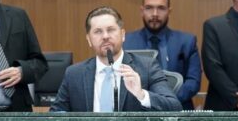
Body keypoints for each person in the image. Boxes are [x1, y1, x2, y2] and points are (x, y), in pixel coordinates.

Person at [50, 6, 182, 112]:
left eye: (111, 30)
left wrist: (141, 94)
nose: (105, 36)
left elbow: (174, 107)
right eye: (98, 31)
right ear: (89, 40)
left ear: (123, 35)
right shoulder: (74, 74)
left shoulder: (146, 67)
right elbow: (55, 115)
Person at [124, 0, 202, 110]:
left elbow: (193, 82)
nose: (155, 13)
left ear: (169, 11)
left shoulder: (187, 41)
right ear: (142, 11)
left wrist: (166, 101)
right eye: (149, 8)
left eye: (161, 8)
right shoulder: (126, 42)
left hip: (178, 110)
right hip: (137, 111)